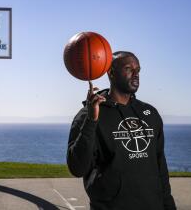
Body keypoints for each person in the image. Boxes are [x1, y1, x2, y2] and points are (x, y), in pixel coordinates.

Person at [67, 51, 177, 210]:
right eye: (128, 69)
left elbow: (160, 166)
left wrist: (168, 205)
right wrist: (91, 120)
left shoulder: (150, 113)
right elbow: (77, 168)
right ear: (111, 72)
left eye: (138, 70)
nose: (136, 74)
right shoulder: (88, 115)